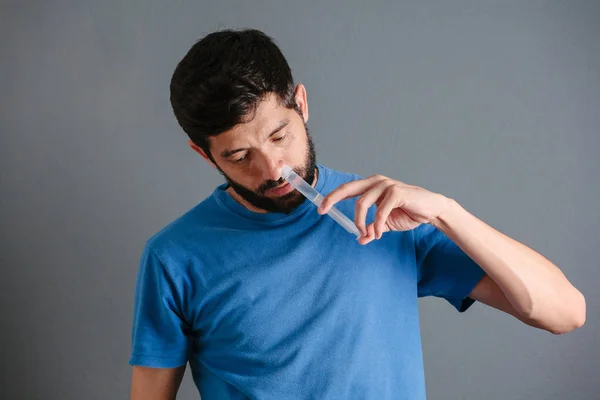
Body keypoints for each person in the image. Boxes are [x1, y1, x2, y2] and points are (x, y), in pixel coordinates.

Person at [128, 28, 585, 400]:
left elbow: (564, 313)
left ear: (301, 105)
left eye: (280, 135)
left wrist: (447, 214)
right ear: (204, 155)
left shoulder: (386, 215)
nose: (272, 169)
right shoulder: (174, 256)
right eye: (239, 155)